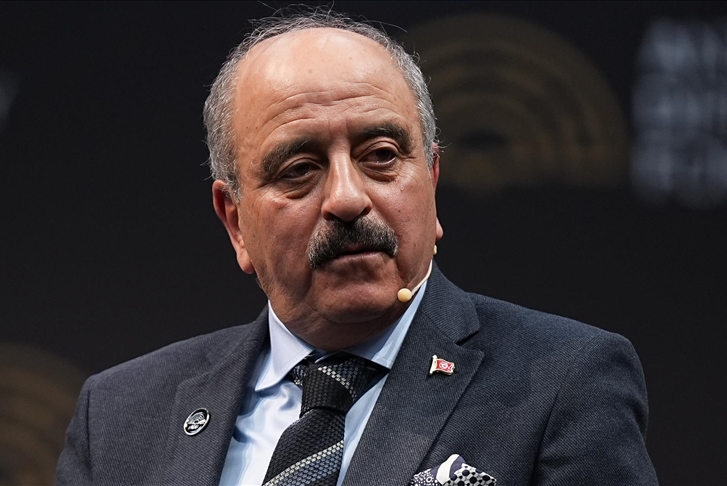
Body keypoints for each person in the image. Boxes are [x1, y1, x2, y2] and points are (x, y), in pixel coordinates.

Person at [56, 11, 658, 486]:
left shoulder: (563, 383)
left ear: (431, 183)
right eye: (299, 169)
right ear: (235, 221)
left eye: (381, 156)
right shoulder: (119, 416)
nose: (347, 198)